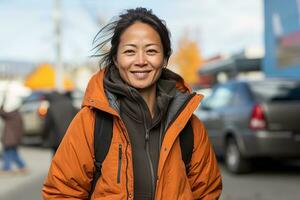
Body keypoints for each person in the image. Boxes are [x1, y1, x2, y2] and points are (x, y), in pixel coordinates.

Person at [42, 7, 222, 200]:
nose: (141, 61)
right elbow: (61, 192)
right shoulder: (91, 122)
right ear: (116, 60)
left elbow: (207, 191)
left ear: (165, 59)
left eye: (151, 51)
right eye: (129, 51)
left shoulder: (189, 126)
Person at [43, 91, 78, 155]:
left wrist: (44, 136)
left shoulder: (51, 107)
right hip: (69, 136)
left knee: (56, 158)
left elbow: (47, 124)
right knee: (68, 157)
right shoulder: (70, 104)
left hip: (56, 139)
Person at [0, 90, 27, 174]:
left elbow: (2, 113)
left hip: (10, 138)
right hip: (15, 138)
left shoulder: (12, 115)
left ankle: (7, 168)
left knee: (7, 153)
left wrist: (3, 100)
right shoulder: (17, 115)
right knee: (14, 153)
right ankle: (22, 166)